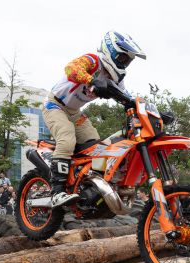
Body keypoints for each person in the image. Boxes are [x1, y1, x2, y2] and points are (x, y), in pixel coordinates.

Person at [43, 31, 146, 207]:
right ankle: (57, 191)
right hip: (55, 106)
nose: (124, 63)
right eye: (122, 58)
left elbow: (125, 97)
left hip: (75, 113)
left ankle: (89, 187)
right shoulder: (93, 61)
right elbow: (70, 69)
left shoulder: (115, 77)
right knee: (67, 138)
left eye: (127, 60)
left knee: (96, 148)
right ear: (111, 51)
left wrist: (143, 108)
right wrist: (91, 80)